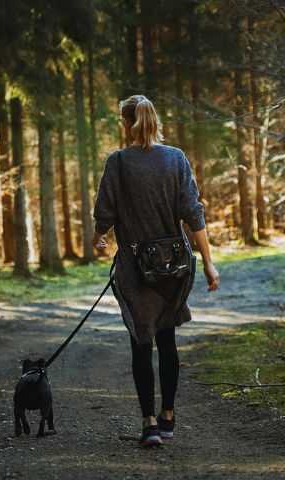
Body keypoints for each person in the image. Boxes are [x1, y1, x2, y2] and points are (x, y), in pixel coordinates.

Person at [92, 94, 220, 447]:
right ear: (153, 120)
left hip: (135, 266)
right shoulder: (176, 158)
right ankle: (168, 416)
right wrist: (208, 261)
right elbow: (193, 213)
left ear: (125, 122)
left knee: (140, 341)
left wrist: (99, 239)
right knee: (167, 340)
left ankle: (149, 423)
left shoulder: (117, 163)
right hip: (176, 264)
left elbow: (104, 213)